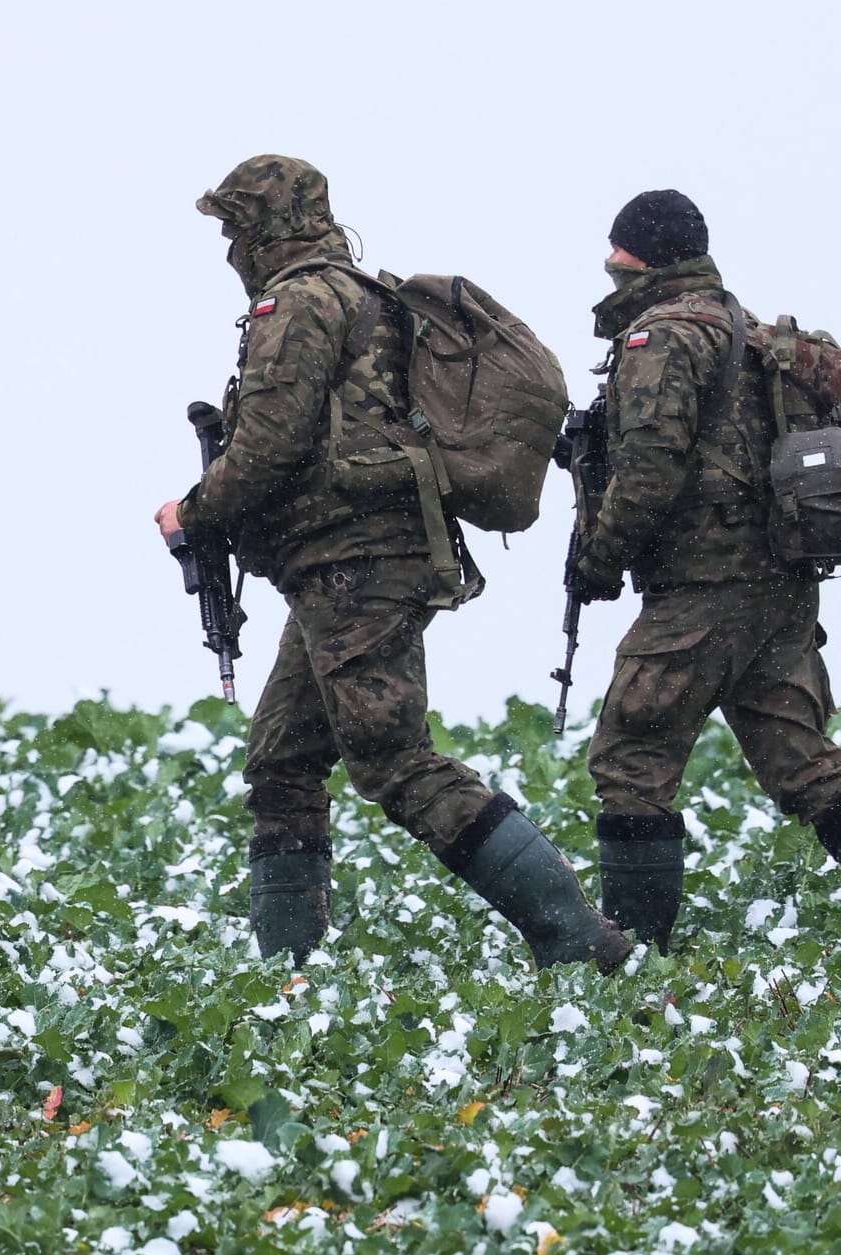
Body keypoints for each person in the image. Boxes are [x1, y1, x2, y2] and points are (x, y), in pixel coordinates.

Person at [154, 155, 629, 971]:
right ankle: (288, 976)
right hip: (347, 565)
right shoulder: (361, 293)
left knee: (392, 757)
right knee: (283, 762)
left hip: (355, 562)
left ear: (264, 226)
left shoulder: (299, 301)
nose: (230, 247)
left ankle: (578, 938)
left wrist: (191, 512)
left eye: (235, 228)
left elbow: (270, 442)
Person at [566, 189, 841, 948]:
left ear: (633, 258)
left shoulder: (662, 338)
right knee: (803, 761)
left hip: (705, 586)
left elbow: (649, 472)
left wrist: (598, 558)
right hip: (779, 583)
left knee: (631, 756)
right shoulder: (741, 329)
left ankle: (633, 954)